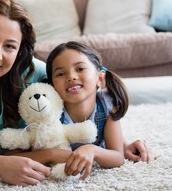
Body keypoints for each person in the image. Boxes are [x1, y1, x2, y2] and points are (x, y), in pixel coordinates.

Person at [0, 0, 149, 187]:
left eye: (9, 46)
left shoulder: (32, 72)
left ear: (19, 52)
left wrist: (115, 143)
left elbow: (79, 94)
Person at [45, 41, 150, 180]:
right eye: (60, 74)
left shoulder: (107, 105)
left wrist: (92, 150)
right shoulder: (49, 112)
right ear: (52, 86)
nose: (71, 77)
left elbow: (118, 157)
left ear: (100, 78)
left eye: (80, 69)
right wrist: (52, 154)